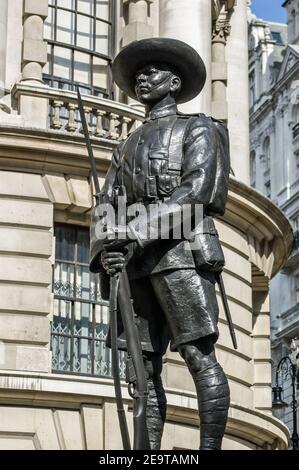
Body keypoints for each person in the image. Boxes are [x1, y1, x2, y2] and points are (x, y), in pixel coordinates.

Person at [90, 38, 230, 450]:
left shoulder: (199, 127)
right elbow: (106, 203)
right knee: (142, 370)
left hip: (180, 251)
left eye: (151, 72)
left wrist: (132, 231)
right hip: (133, 265)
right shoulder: (125, 145)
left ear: (173, 82)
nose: (142, 78)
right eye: (138, 75)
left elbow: (198, 192)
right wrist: (106, 246)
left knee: (198, 355)